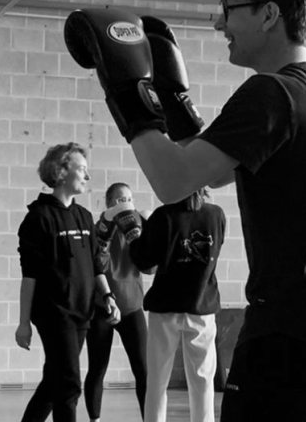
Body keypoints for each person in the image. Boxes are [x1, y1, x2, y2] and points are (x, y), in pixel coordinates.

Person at [64, 0, 306, 419]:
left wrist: (128, 91)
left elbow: (173, 181)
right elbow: (213, 175)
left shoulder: (271, 93)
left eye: (230, 9)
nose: (220, 23)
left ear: (269, 14)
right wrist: (173, 102)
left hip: (293, 333)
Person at [16, 142, 122, 422]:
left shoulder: (84, 216)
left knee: (54, 381)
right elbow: (29, 276)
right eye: (82, 169)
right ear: (61, 172)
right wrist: (23, 322)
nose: (88, 176)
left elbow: (96, 265)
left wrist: (108, 296)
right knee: (69, 384)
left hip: (81, 311)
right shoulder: (39, 218)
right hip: (53, 313)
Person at [128, 188, 226, 422]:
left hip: (166, 306)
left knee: (157, 380)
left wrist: (133, 235)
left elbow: (144, 260)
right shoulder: (216, 214)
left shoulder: (163, 216)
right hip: (201, 304)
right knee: (203, 381)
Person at [86, 182, 152, 422]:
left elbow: (150, 268)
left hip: (132, 305)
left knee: (143, 370)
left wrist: (145, 232)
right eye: (122, 200)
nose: (127, 204)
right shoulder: (99, 228)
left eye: (130, 199)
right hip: (102, 305)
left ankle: (149, 419)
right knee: (97, 368)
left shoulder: (139, 223)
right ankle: (95, 419)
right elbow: (98, 264)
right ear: (110, 204)